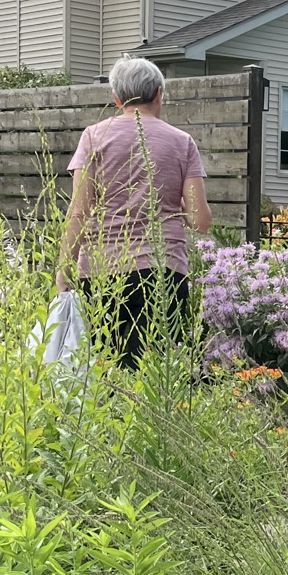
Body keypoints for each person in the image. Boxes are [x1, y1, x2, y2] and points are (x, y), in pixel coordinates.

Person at [54, 54, 211, 366]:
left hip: (101, 270)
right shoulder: (182, 142)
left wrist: (64, 268)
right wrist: (172, 202)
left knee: (104, 368)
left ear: (116, 98)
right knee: (156, 371)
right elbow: (200, 221)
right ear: (158, 94)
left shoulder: (93, 136)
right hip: (163, 270)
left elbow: (79, 212)